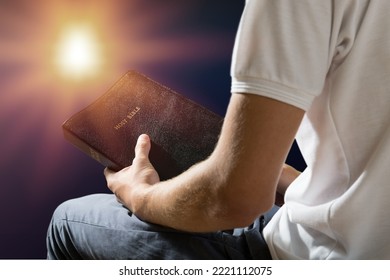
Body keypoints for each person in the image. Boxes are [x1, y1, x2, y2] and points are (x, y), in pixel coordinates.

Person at [47, 0, 390, 259]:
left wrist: (140, 195)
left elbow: (233, 200)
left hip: (321, 256)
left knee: (67, 222)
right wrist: (273, 172)